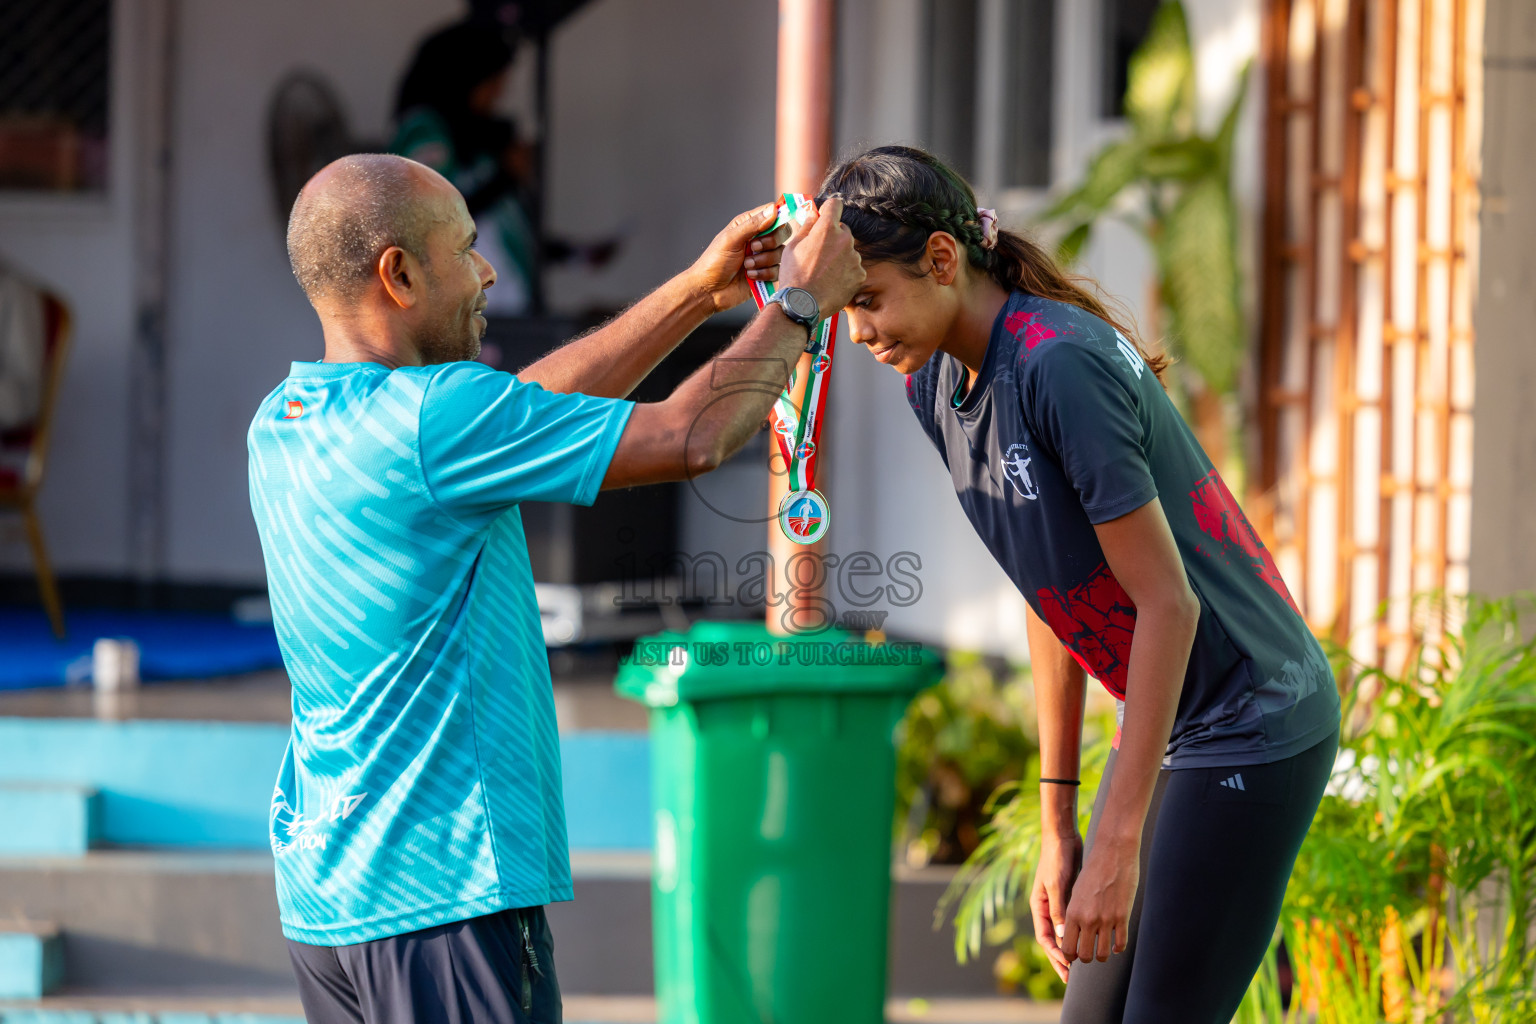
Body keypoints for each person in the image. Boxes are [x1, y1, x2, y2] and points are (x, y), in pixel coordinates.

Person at [249, 152, 862, 1023]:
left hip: (329, 901)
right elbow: (692, 436)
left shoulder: (286, 421)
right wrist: (803, 303)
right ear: (400, 273)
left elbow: (515, 407)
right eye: (465, 249)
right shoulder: (436, 422)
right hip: (446, 896)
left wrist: (695, 292)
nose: (488, 270)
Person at [822, 145, 1340, 1024]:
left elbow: (1170, 605)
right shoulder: (939, 384)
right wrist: (1060, 819)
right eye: (844, 309)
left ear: (943, 260)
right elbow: (1048, 591)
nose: (859, 332)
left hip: (1253, 719)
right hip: (1184, 722)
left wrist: (1117, 842)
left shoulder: (1058, 363)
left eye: (866, 299)